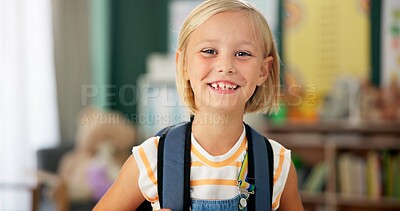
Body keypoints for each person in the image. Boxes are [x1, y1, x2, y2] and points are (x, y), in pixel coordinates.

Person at [94, 0, 304, 210]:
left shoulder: (276, 164)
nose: (225, 66)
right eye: (209, 51)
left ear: (263, 71)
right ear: (183, 64)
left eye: (243, 54)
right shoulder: (152, 159)